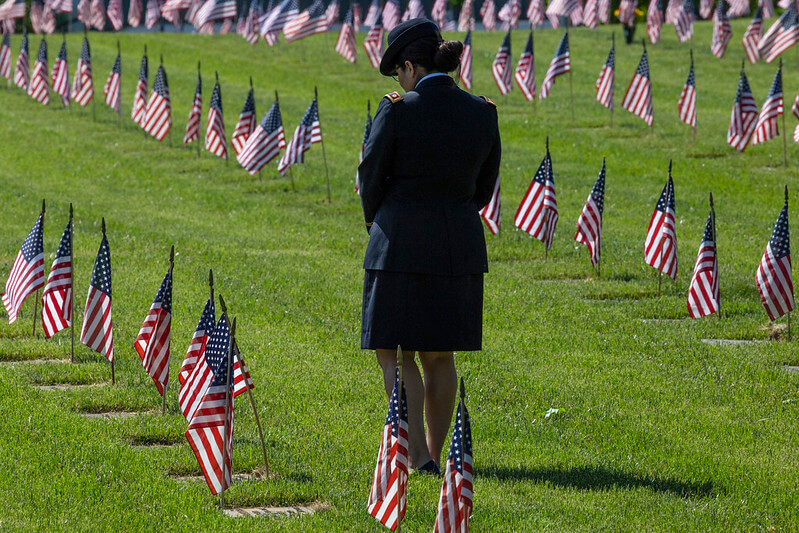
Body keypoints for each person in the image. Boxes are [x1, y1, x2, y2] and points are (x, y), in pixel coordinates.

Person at [358, 18, 501, 474]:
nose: (398, 81)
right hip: (458, 248)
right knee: (440, 356)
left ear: (409, 67)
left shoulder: (397, 110)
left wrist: (378, 222)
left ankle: (417, 455)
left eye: (398, 72)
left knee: (396, 354)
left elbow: (370, 178)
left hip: (398, 247)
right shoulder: (482, 112)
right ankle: (442, 456)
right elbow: (484, 189)